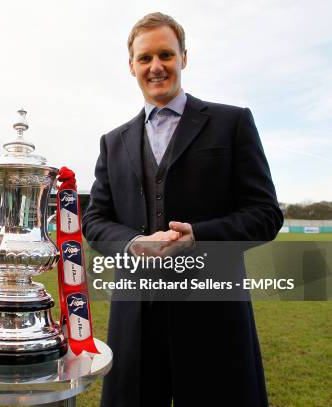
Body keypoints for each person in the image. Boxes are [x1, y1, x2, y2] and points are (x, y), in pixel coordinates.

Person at [82, 12, 283, 407]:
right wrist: (134, 242)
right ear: (131, 66)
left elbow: (265, 213)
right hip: (135, 318)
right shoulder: (113, 141)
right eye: (145, 58)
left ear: (183, 58)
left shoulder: (232, 123)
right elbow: (95, 219)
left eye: (165, 55)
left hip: (213, 316)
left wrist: (200, 237)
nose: (156, 67)